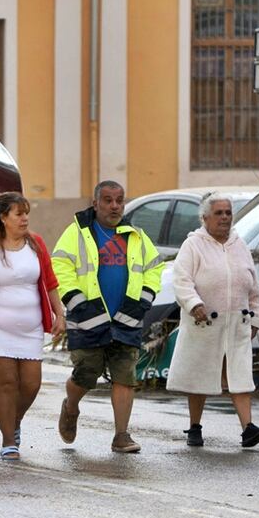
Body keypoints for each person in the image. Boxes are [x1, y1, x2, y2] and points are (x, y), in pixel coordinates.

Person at [52, 180, 164, 453]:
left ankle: (121, 435)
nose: (114, 206)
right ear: (96, 203)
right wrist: (77, 302)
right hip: (88, 318)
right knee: (86, 374)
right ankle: (71, 406)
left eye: (119, 200)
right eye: (108, 200)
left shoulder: (135, 235)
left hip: (126, 318)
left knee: (125, 376)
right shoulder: (77, 233)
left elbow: (154, 267)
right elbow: (60, 266)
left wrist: (144, 299)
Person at [0, 192, 66, 461]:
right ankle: (9, 441)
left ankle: (13, 420)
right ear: (3, 218)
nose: (25, 218)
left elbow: (51, 283)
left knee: (31, 384)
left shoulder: (37, 244)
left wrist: (59, 314)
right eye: (19, 214)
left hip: (30, 331)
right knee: (8, 384)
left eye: (26, 213)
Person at [166, 192, 259, 448]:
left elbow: (252, 287)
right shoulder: (193, 245)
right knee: (200, 376)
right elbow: (181, 281)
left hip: (236, 323)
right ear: (205, 218)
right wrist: (194, 304)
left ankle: (248, 429)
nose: (225, 218)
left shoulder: (239, 245)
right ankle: (194, 427)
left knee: (240, 376)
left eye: (228, 213)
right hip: (205, 323)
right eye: (219, 213)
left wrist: (256, 316)